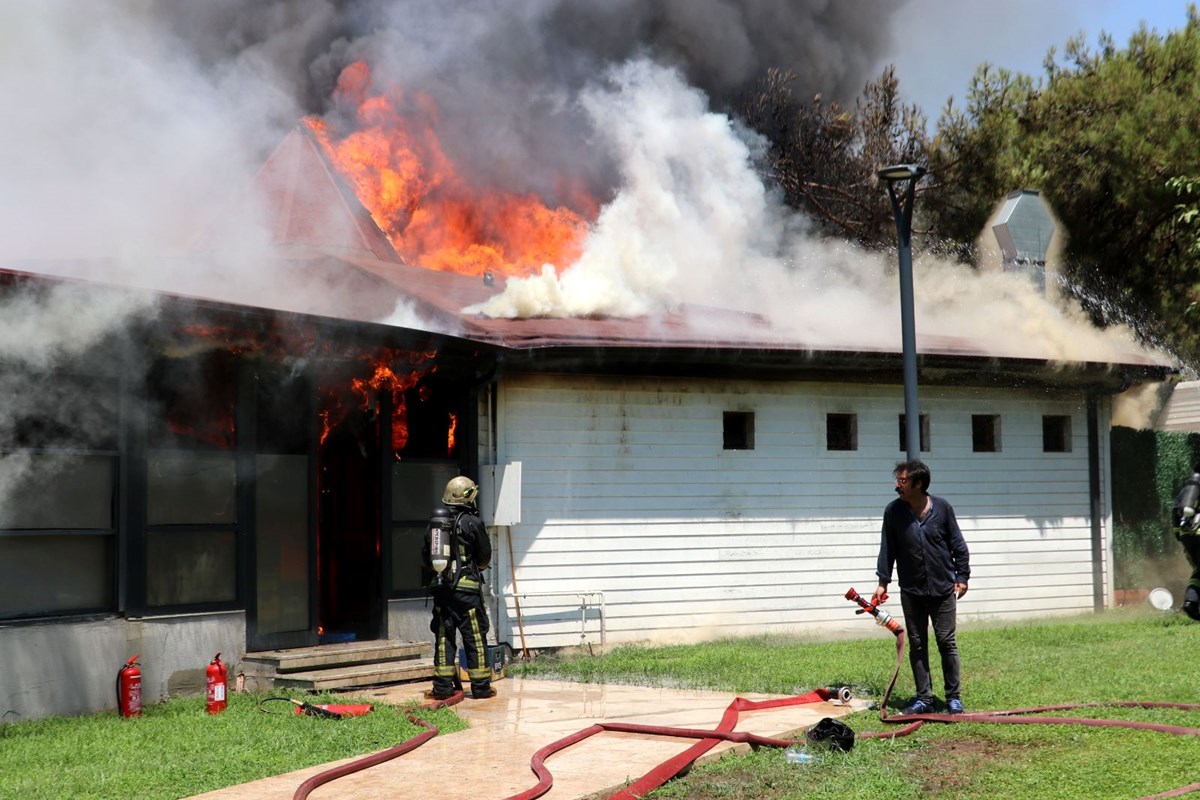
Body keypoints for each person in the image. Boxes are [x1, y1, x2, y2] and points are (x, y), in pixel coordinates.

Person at [873, 459, 970, 715]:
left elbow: (957, 544)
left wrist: (962, 576)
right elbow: (888, 548)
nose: (897, 485)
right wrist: (883, 582)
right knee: (917, 643)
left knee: (946, 642)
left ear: (919, 484)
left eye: (902, 481)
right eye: (897, 480)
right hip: (912, 591)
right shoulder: (893, 512)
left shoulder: (943, 508)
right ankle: (924, 699)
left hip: (943, 589)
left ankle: (953, 698)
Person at [423, 475, 495, 699]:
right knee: (474, 636)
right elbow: (484, 557)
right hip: (467, 593)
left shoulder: (435, 525)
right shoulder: (473, 523)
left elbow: (426, 558)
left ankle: (443, 689)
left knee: (444, 636)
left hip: (442, 591)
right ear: (468, 498)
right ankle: (481, 687)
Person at [1171, 466, 1200, 621]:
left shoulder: (1186, 491)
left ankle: (1191, 602)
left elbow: (1175, 513)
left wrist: (1179, 535)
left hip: (1187, 537)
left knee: (1198, 571)